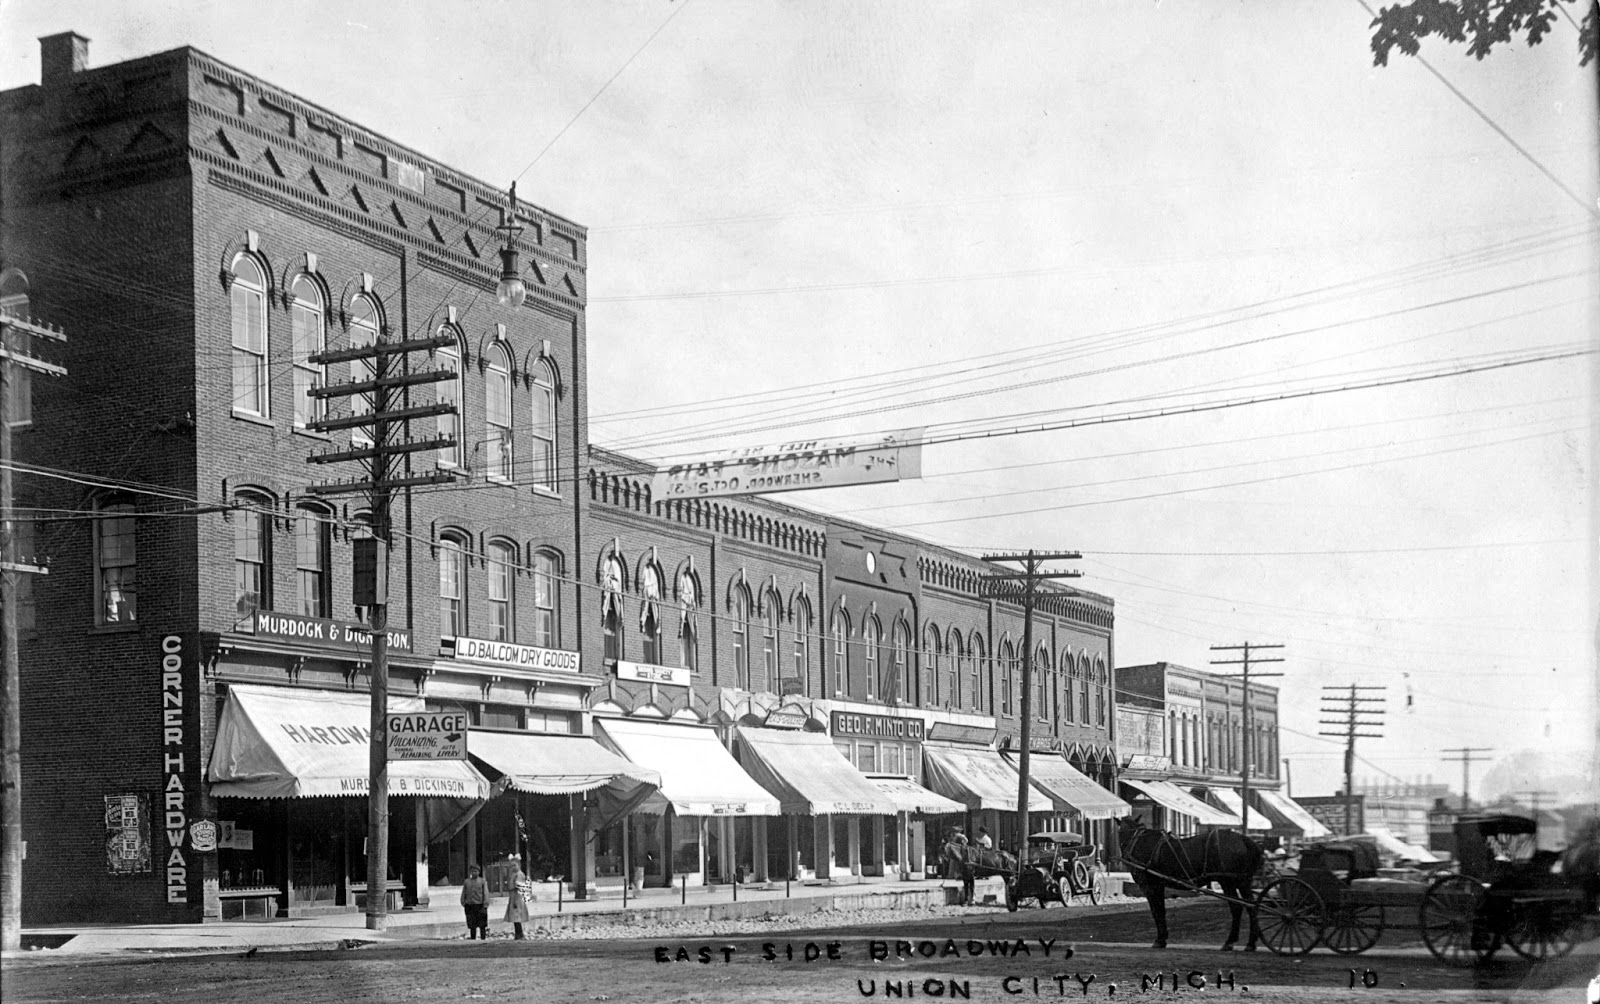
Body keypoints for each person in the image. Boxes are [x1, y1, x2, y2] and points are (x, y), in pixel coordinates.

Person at [460, 864, 489, 940]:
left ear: (479, 872)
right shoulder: (467, 881)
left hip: (480, 905)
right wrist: (463, 902)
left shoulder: (482, 881)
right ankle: (473, 940)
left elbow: (485, 893)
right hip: (470, 906)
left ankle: (483, 939)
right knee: (472, 925)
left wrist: (485, 905)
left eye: (476, 871)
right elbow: (464, 892)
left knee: (482, 925)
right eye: (472, 871)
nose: (474, 873)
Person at [505, 867, 534, 939]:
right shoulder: (514, 874)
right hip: (513, 896)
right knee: (515, 917)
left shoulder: (519, 875)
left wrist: (516, 900)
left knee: (516, 916)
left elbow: (519, 888)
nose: (513, 867)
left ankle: (519, 933)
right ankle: (518, 933)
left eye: (515, 865)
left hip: (517, 896)